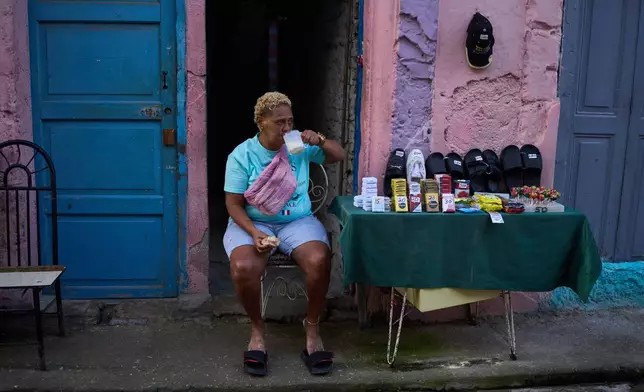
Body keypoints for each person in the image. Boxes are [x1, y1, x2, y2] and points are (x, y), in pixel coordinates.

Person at [223, 92, 347, 376]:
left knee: (319, 260)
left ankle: (312, 329)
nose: (287, 128)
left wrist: (320, 140)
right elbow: (233, 204)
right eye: (279, 122)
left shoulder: (295, 145)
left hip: (297, 221)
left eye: (290, 120)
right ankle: (257, 331)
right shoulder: (242, 155)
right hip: (254, 222)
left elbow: (338, 156)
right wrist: (254, 233)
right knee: (243, 266)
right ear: (261, 122)